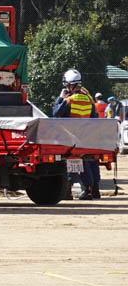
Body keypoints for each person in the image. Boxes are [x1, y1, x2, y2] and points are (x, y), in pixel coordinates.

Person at [52, 69, 100, 200]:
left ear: (70, 85)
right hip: (84, 138)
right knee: (84, 164)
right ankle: (88, 191)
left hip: (68, 138)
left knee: (67, 164)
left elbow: (56, 113)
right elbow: (94, 118)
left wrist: (60, 98)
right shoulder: (89, 100)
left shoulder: (69, 100)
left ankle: (67, 192)